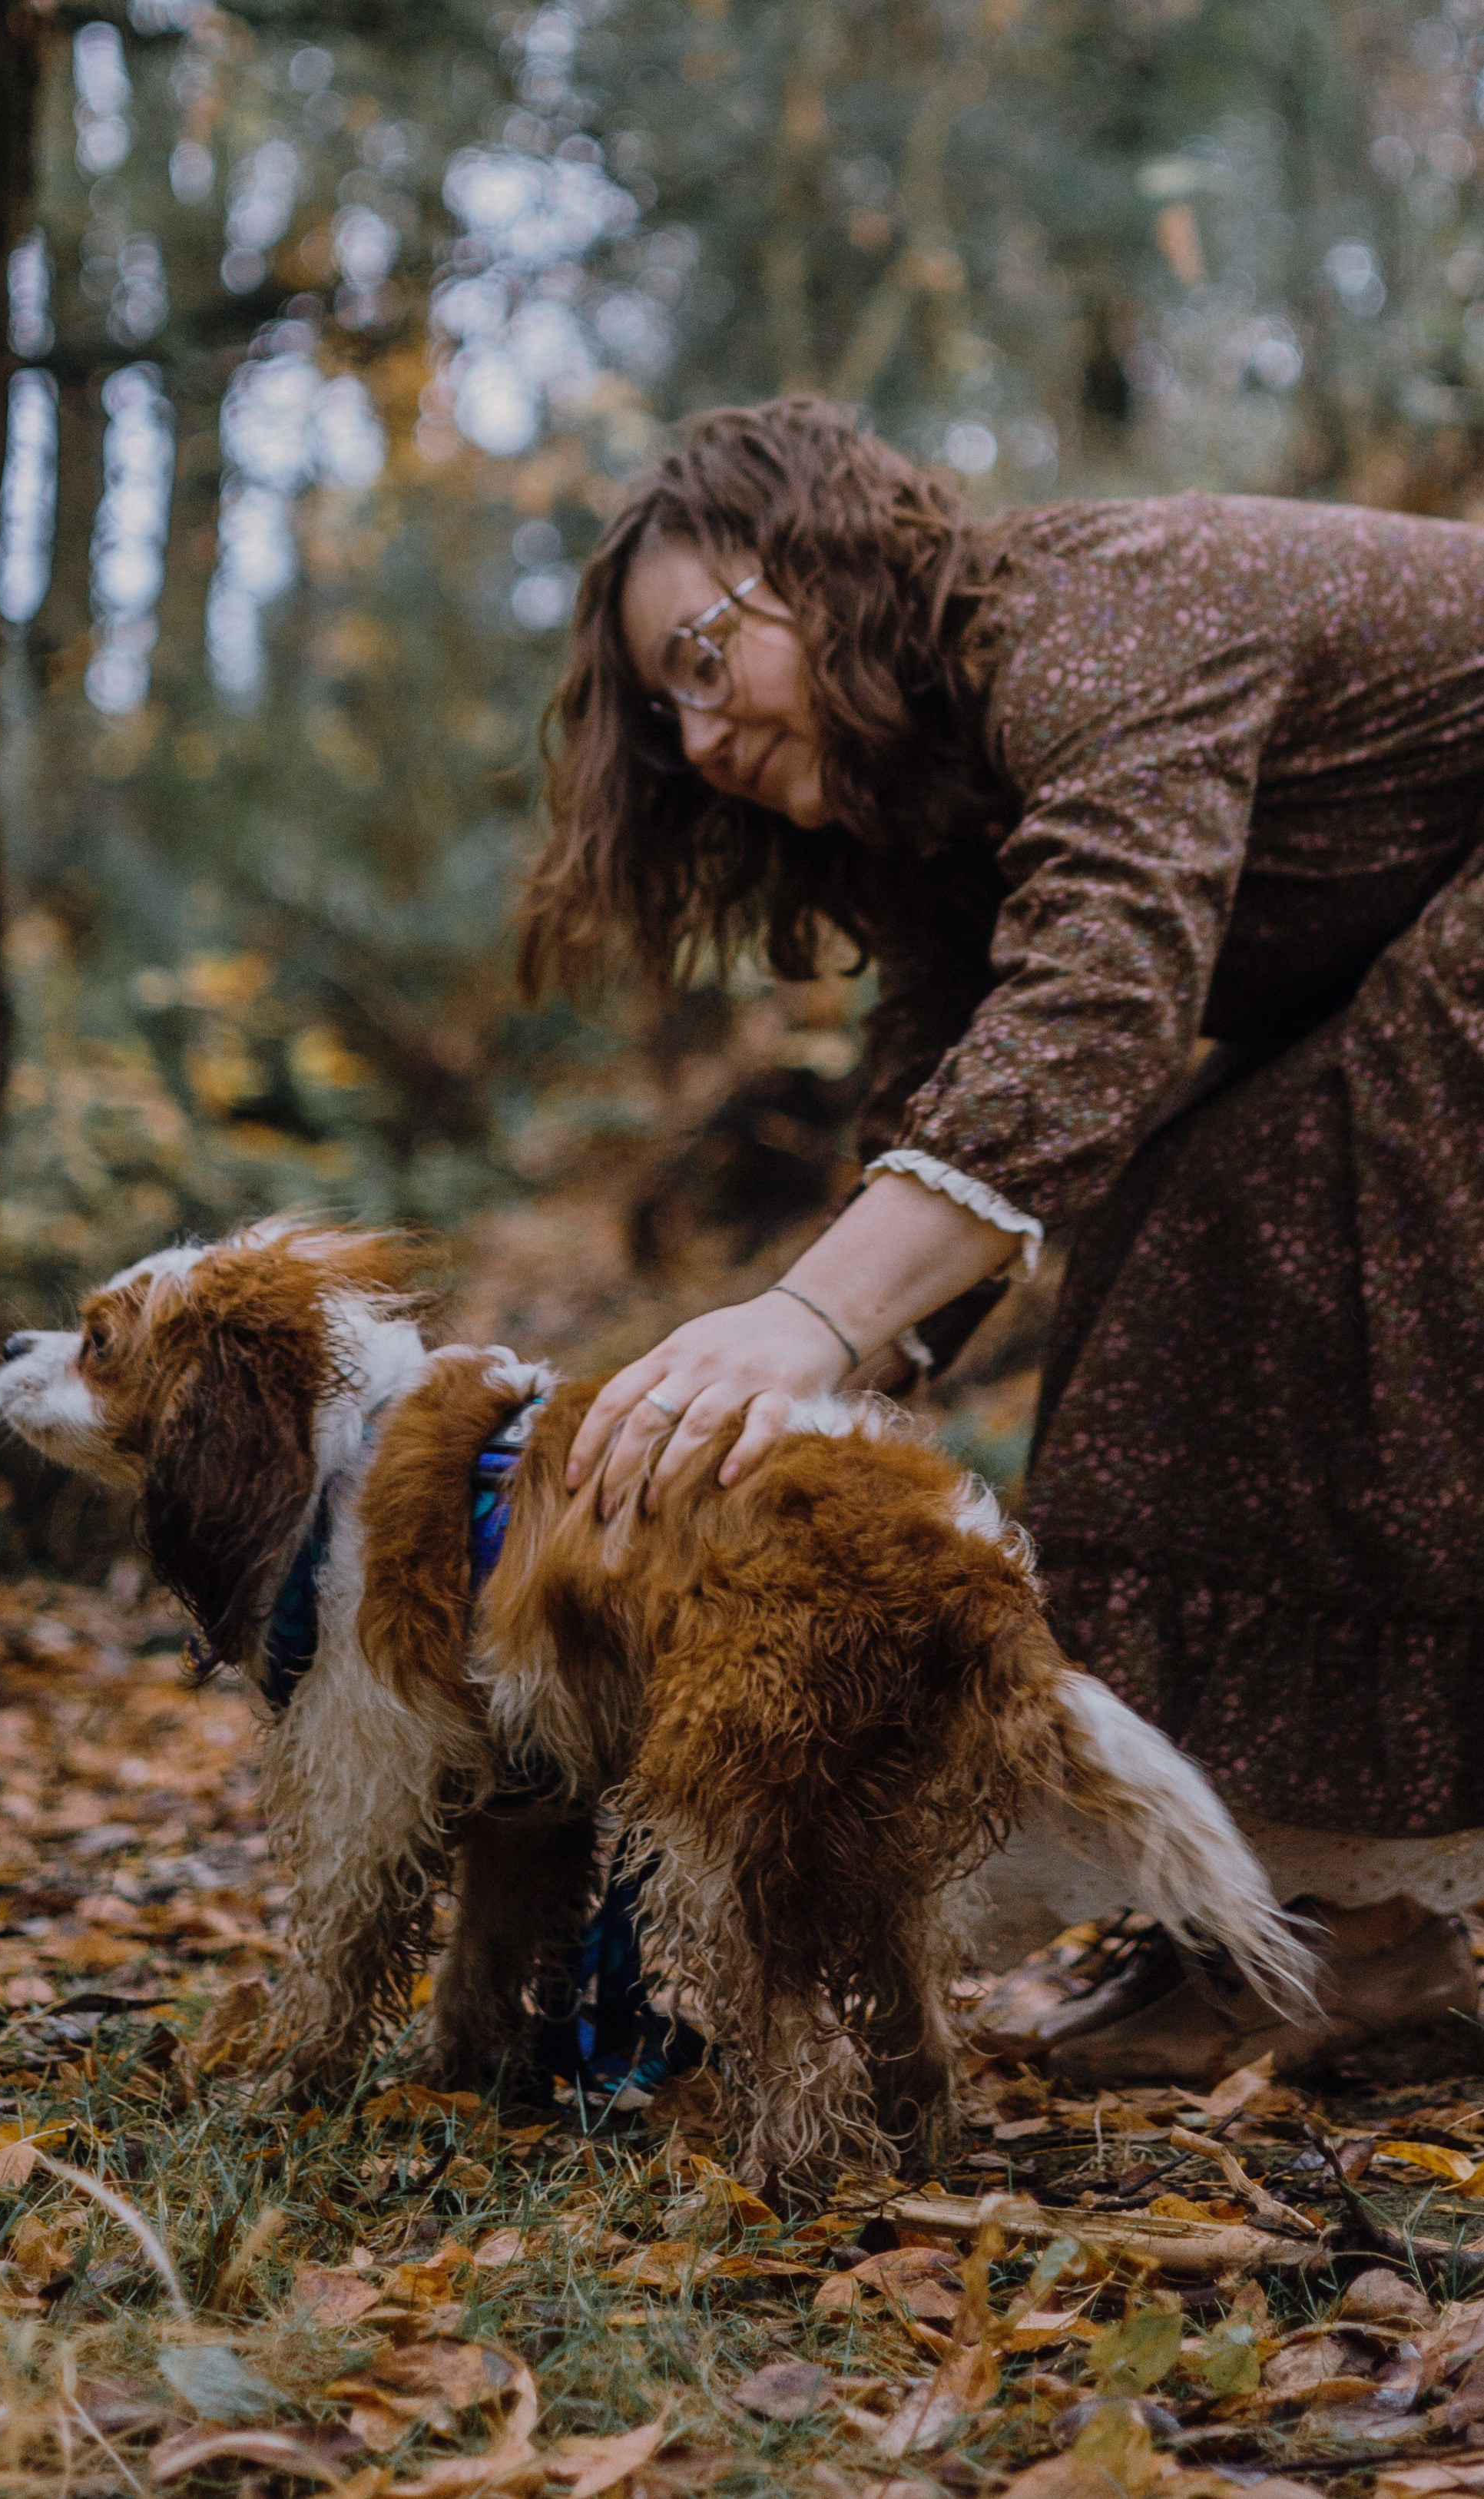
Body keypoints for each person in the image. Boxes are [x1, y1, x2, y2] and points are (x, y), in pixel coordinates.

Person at [514, 395, 1484, 2080]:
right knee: (1172, 1225)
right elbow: (941, 1110)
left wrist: (809, 1321)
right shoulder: (924, 797)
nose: (688, 739)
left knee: (1270, 1200)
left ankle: (1319, 1917)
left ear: (814, 560)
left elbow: (1100, 998)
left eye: (698, 660)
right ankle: (1303, 1918)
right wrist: (813, 1394)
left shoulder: (1097, 623)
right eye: (655, 708)